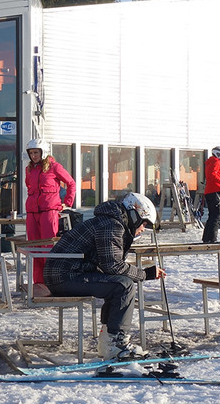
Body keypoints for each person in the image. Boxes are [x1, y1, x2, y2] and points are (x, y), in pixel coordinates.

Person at [45, 192, 165, 360]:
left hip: (64, 274)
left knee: (118, 284)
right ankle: (115, 344)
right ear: (133, 215)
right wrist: (145, 274)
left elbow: (109, 266)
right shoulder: (111, 225)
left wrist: (142, 273)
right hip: (65, 276)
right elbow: (112, 265)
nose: (143, 229)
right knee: (124, 286)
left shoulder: (110, 221)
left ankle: (108, 341)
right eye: (144, 223)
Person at [23, 139, 76, 288]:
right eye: (31, 153)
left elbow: (71, 183)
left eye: (36, 152)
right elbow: (29, 185)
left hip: (49, 212)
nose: (33, 156)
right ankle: (38, 284)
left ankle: (51, 281)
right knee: (34, 248)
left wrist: (67, 202)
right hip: (32, 213)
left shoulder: (54, 167)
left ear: (43, 152)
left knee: (47, 247)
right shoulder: (29, 170)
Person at [201, 147, 220, 244]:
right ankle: (212, 238)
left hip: (210, 191)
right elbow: (213, 175)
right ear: (219, 154)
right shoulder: (215, 162)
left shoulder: (211, 162)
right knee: (216, 215)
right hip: (214, 191)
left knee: (212, 215)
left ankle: (207, 237)